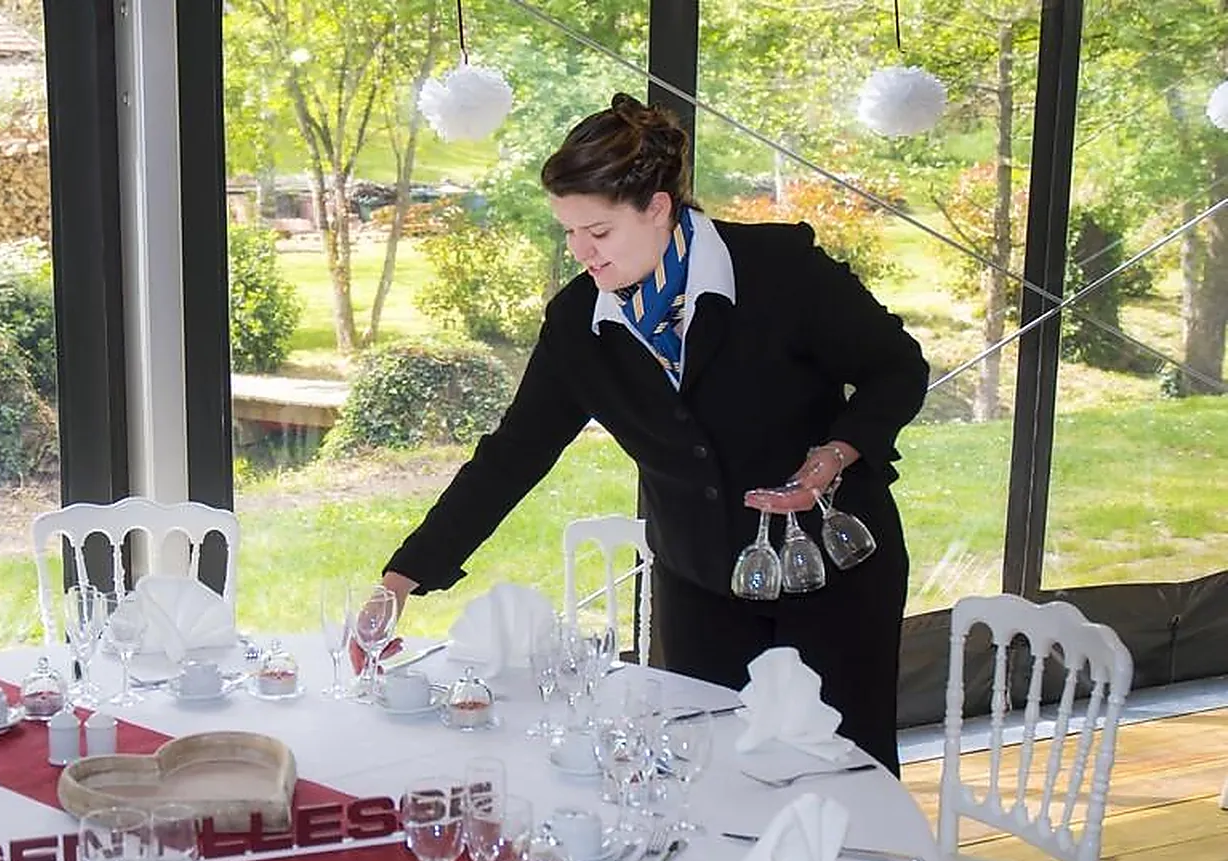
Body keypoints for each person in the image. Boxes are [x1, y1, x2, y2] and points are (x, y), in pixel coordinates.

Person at [376, 93, 928, 776]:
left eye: (598, 232)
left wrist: (838, 451)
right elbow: (512, 456)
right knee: (706, 774)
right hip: (699, 586)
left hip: (834, 573)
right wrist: (401, 580)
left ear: (658, 207)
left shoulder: (780, 269)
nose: (581, 252)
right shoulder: (579, 325)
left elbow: (897, 369)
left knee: (847, 775)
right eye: (568, 232)